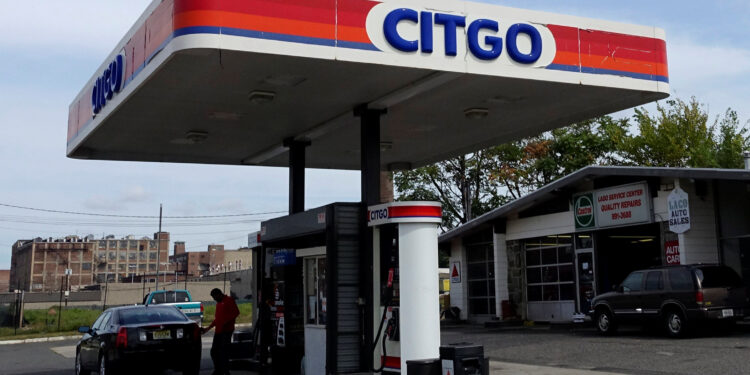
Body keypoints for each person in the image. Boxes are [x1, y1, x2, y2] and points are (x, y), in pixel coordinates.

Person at [202, 288, 240, 375]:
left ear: (219, 294)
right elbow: (217, 320)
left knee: (224, 352)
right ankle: (218, 369)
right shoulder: (218, 304)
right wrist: (207, 328)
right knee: (214, 352)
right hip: (218, 331)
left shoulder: (229, 300)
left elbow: (236, 313)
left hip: (226, 331)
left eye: (214, 297)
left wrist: (227, 321)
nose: (214, 299)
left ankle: (225, 371)